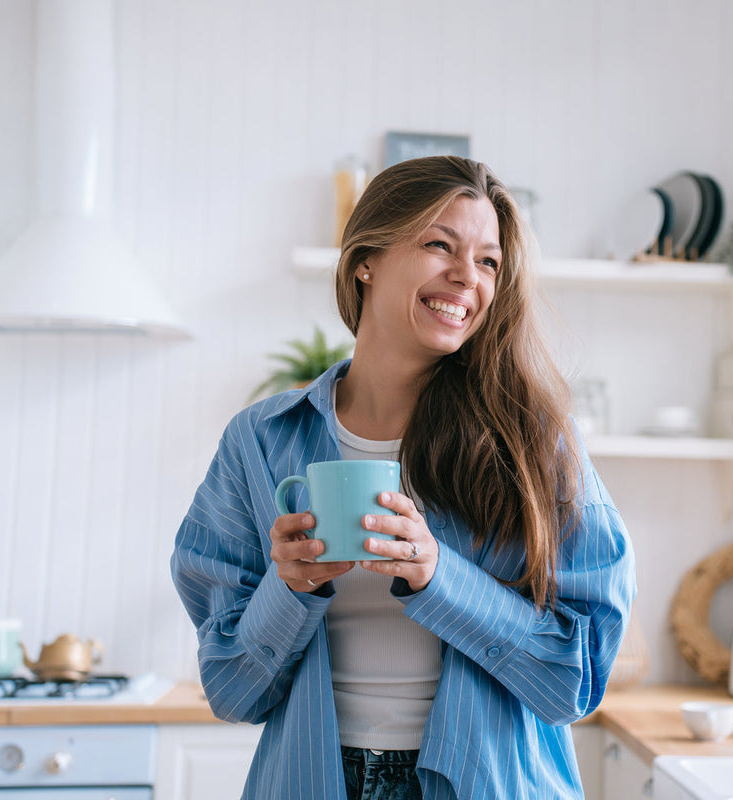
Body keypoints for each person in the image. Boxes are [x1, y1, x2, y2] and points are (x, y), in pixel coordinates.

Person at [171, 155, 636, 800]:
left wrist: (437, 577)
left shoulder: (533, 443)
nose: (465, 278)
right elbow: (230, 689)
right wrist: (290, 590)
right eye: (439, 245)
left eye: (488, 262)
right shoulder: (261, 442)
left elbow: (574, 681)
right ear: (367, 258)